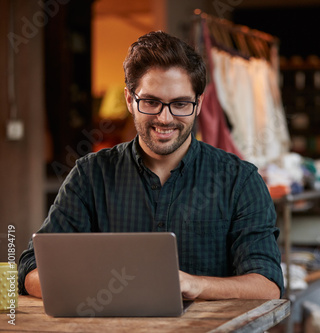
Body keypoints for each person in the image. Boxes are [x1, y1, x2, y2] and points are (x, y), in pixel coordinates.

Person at [18, 31, 284, 300]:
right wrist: (101, 289)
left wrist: (194, 285)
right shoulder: (91, 176)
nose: (164, 118)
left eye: (180, 104)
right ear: (129, 100)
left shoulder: (240, 180)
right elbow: (31, 269)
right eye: (151, 102)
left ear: (199, 103)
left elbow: (267, 285)